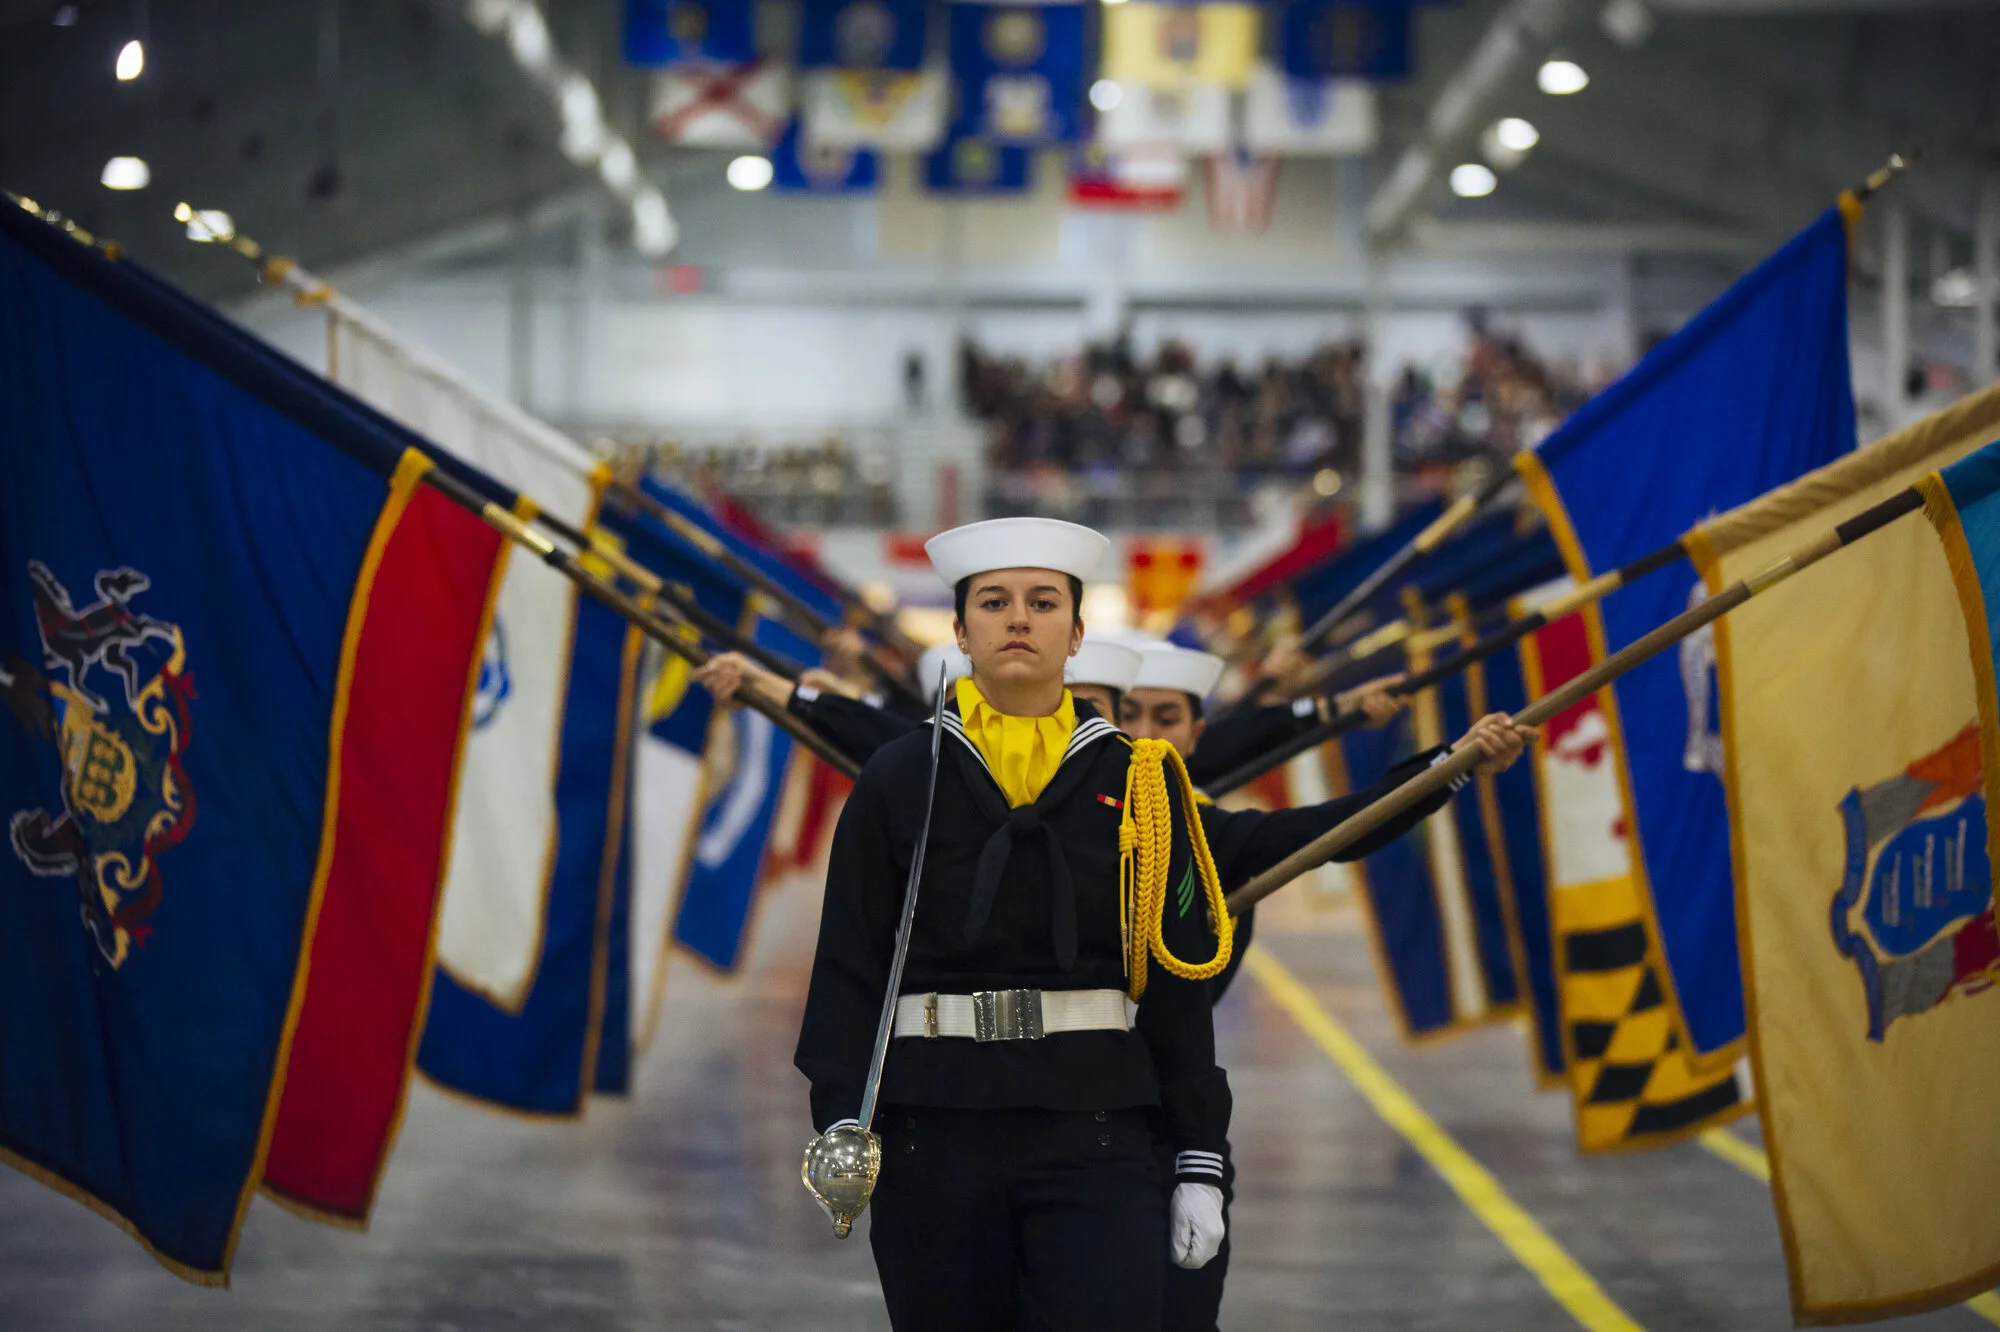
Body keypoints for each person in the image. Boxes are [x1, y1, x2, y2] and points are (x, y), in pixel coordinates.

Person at [793, 517, 1533, 1331]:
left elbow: (1184, 982)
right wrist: (841, 1119)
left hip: (1097, 1133)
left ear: (1076, 633)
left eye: (1043, 603)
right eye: (994, 602)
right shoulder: (901, 778)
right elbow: (849, 964)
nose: (1017, 619)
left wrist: (1197, 1156)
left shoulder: (1144, 784)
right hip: (930, 1131)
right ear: (961, 630)